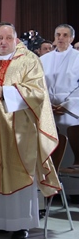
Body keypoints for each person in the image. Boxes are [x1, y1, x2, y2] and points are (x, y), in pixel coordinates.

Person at [0, 22, 60, 239]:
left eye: (8, 38)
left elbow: (37, 93)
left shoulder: (29, 61)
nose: (3, 42)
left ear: (16, 39)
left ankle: (21, 224)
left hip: (19, 130)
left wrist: (4, 92)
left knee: (18, 173)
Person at [39, 25, 79, 199]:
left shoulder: (77, 57)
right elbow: (38, 84)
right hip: (48, 109)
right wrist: (47, 103)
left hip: (72, 111)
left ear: (72, 38)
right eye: (58, 34)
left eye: (65, 35)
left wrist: (68, 105)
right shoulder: (44, 59)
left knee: (70, 142)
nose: (61, 38)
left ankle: (73, 192)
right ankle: (50, 188)